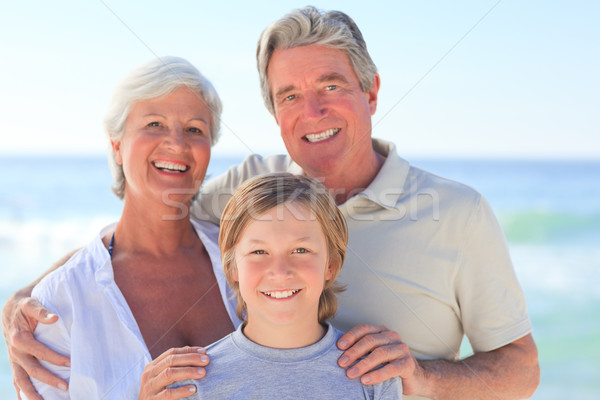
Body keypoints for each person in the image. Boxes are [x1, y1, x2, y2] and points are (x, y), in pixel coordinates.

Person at [3, 6, 540, 400]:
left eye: (331, 86)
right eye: (289, 96)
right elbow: (155, 217)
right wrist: (31, 297)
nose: (312, 111)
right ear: (274, 112)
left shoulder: (458, 212)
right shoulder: (258, 190)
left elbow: (521, 369)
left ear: (372, 92)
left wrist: (421, 378)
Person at [16, 57, 241, 399]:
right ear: (117, 145)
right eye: (154, 124)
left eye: (195, 129)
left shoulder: (248, 264)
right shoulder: (61, 302)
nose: (177, 144)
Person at [164, 173, 402, 399]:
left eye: (300, 250)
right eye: (259, 251)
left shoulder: (374, 376)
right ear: (233, 268)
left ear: (331, 264)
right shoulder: (192, 385)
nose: (280, 272)